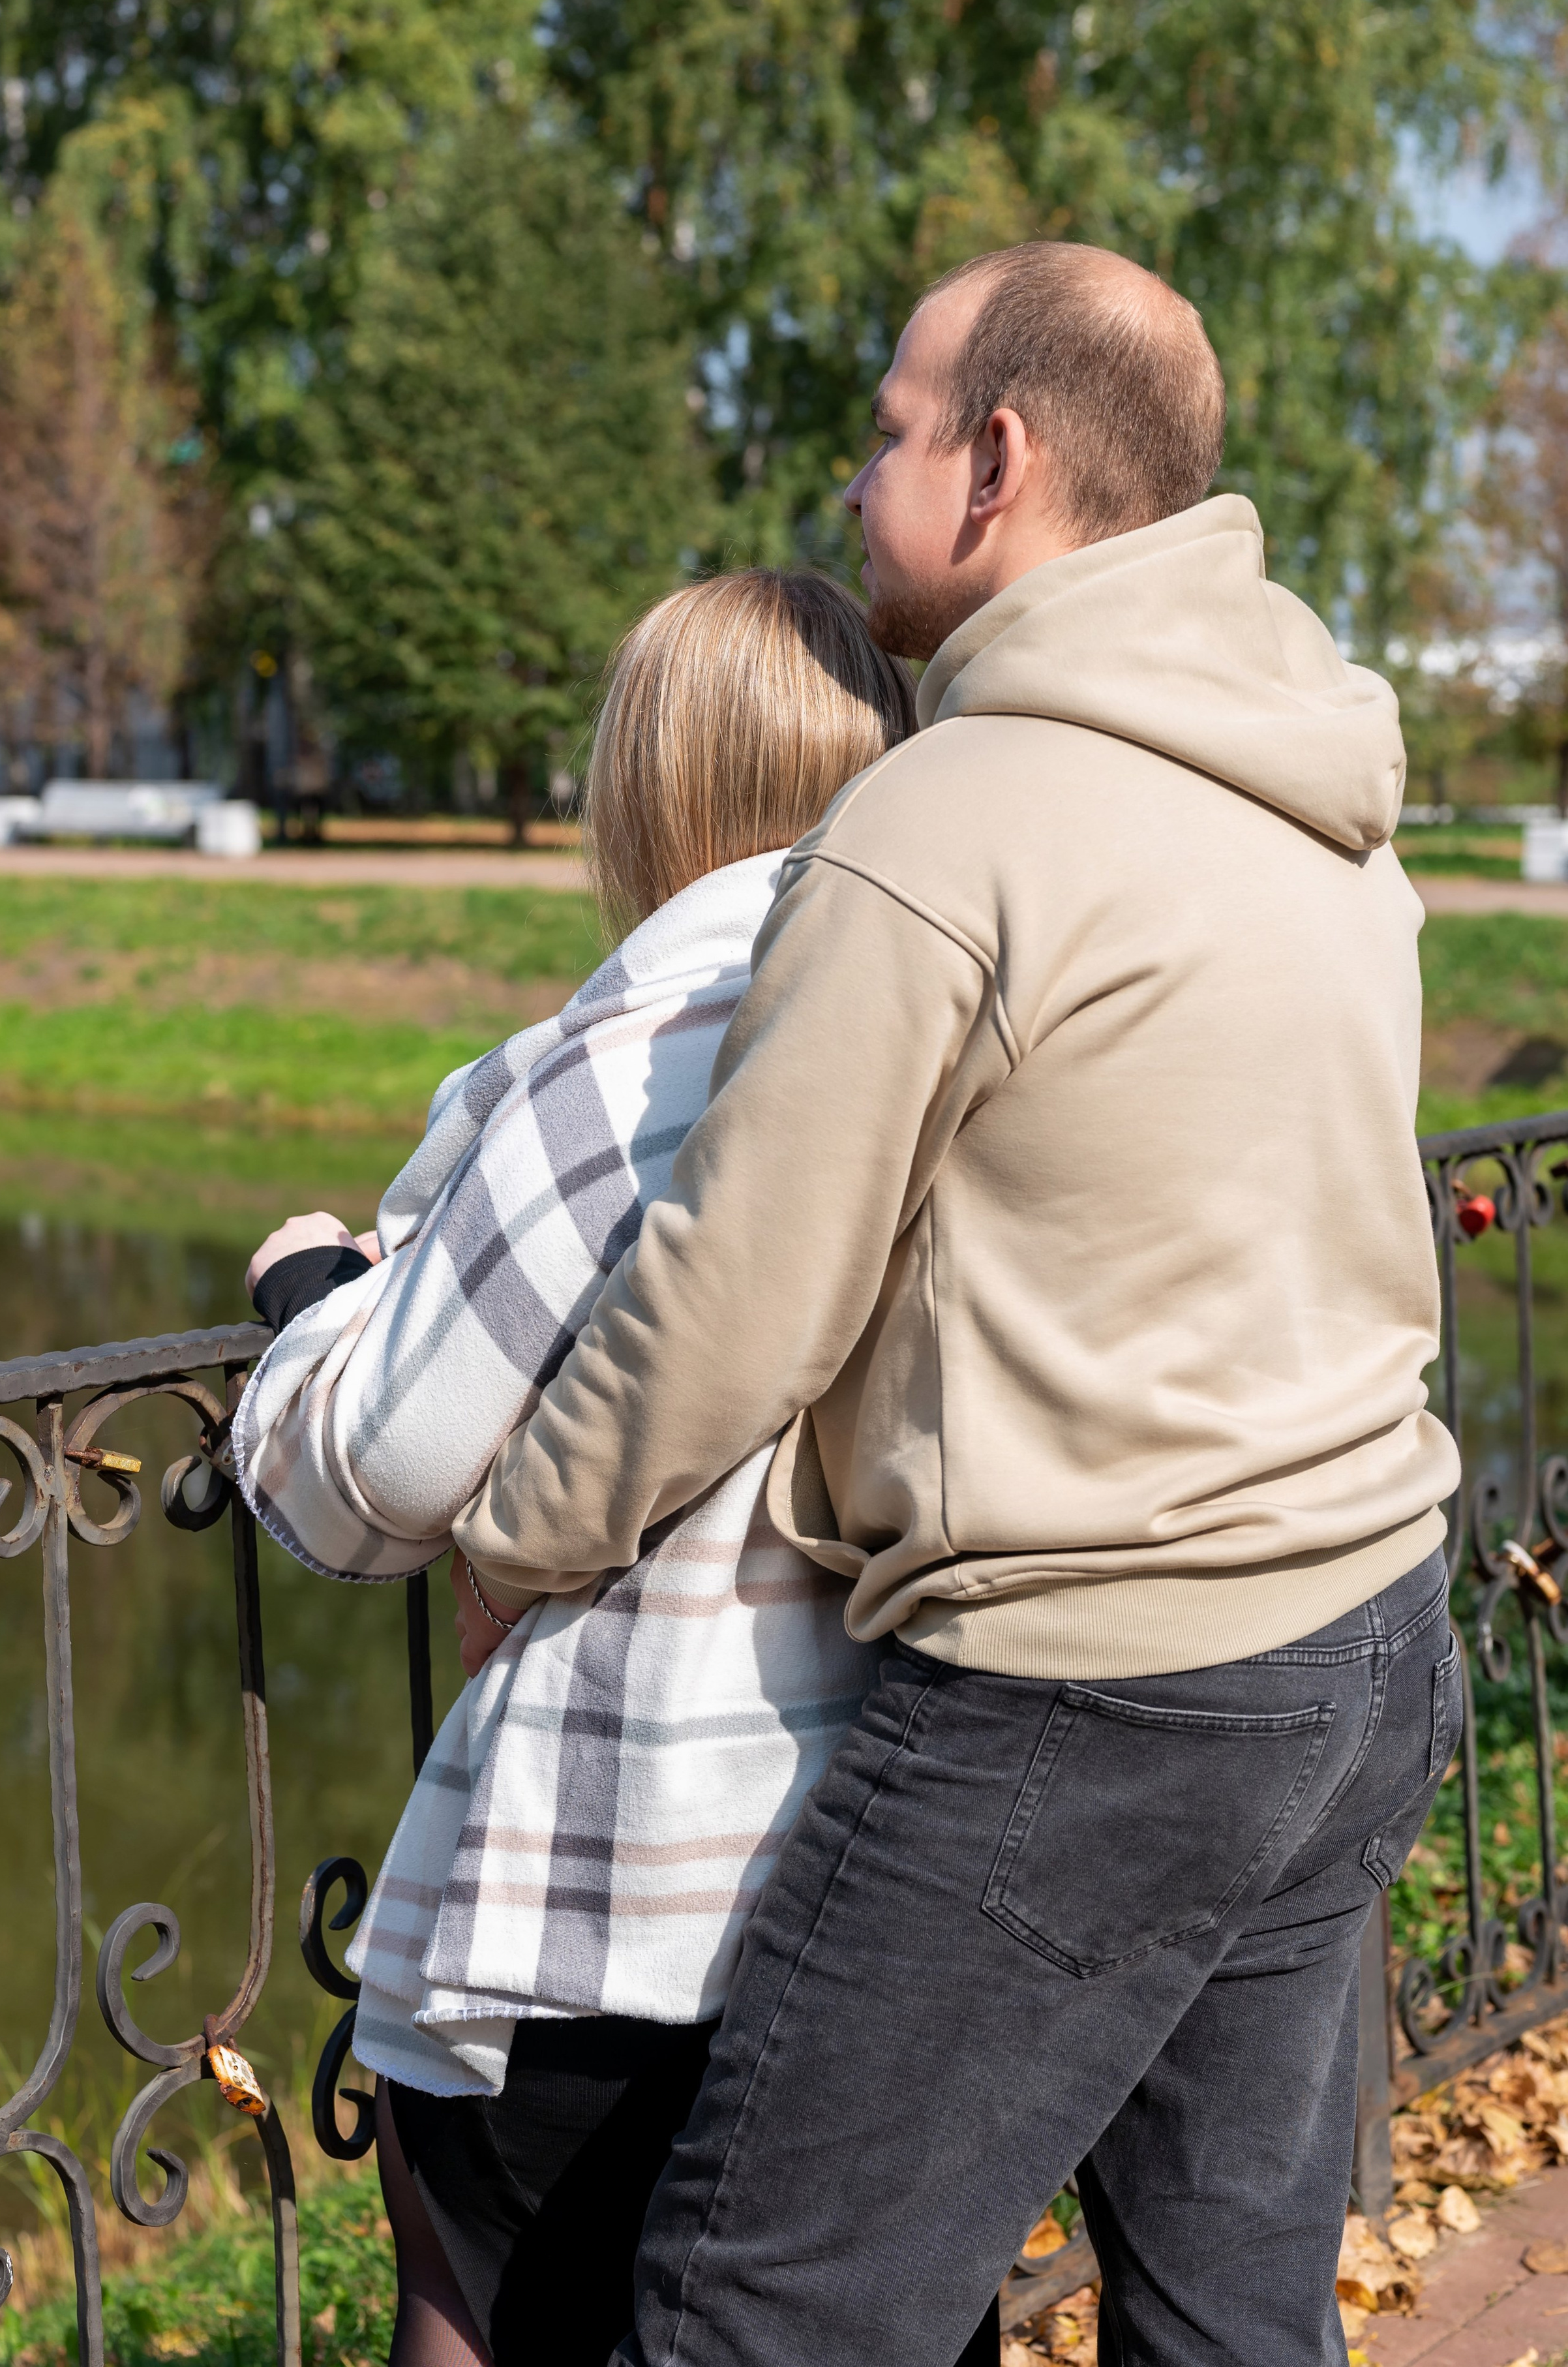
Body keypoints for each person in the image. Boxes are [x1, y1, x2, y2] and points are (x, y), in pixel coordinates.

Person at [445, 241, 1465, 2367]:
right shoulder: (1332, 801)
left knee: (760, 2316)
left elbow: (736, 1297)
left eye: (890, 432)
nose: (854, 479)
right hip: (1364, 1633)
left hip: (1091, 1698)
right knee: (1234, 2317)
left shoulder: (945, 822)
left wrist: (510, 1533)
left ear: (998, 460)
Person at [232, 571, 918, 2367]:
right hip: (901, 1866)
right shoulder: (949, 1003)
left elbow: (355, 1477)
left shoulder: (652, 1042)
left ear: (645, 784)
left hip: (627, 1903)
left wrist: (310, 1297)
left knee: (479, 2300)